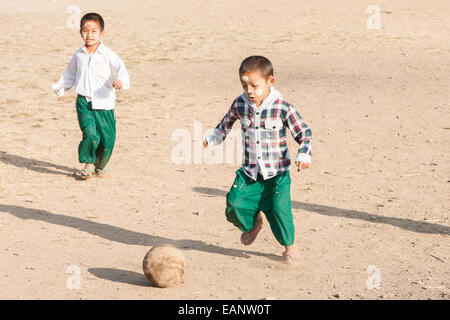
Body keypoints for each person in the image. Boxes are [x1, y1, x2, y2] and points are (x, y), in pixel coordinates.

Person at [203, 56, 312, 264]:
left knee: (280, 210)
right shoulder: (241, 104)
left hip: (277, 174)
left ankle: (290, 247)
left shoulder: (282, 107)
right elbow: (225, 123)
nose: (249, 91)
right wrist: (213, 138)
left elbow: (304, 132)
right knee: (234, 203)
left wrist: (304, 153)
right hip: (250, 172)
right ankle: (254, 223)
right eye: (245, 86)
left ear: (271, 81)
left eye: (254, 85)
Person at [52, 12, 130, 179]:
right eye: (85, 31)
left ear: (102, 33)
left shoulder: (108, 54)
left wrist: (121, 81)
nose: (89, 35)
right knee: (90, 133)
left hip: (104, 102)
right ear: (80, 32)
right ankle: (88, 163)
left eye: (94, 31)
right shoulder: (78, 55)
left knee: (107, 139)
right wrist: (61, 87)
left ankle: (100, 165)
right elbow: (70, 75)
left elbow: (121, 70)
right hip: (84, 101)